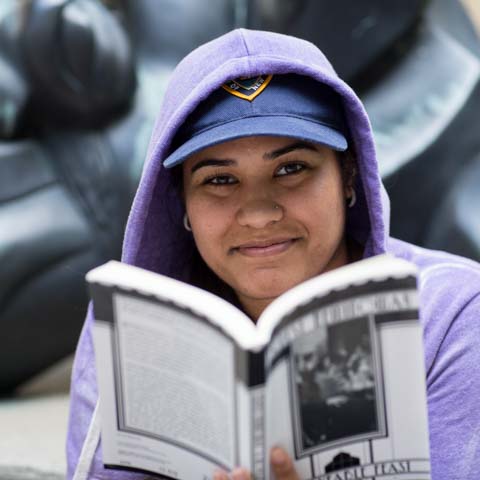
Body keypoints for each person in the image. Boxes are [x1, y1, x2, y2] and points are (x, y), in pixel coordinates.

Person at [66, 29, 480, 480]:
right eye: (219, 180)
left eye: (292, 168)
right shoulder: (131, 327)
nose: (259, 214)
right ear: (180, 202)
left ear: (348, 176)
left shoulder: (453, 315)